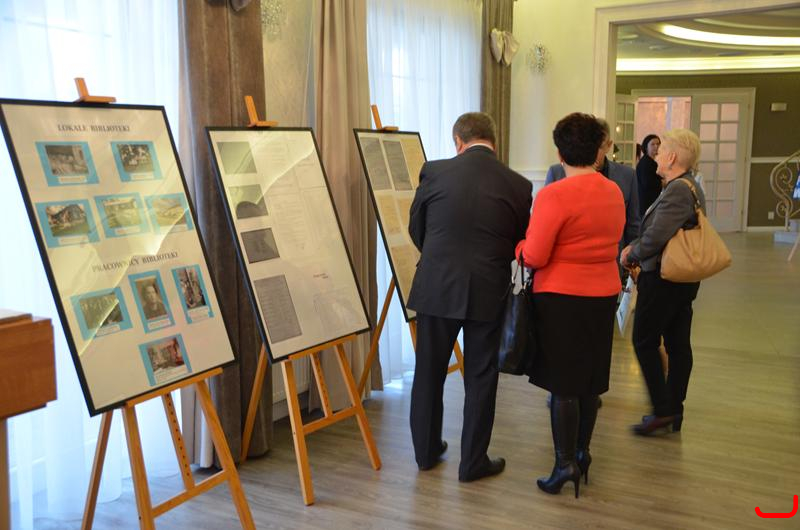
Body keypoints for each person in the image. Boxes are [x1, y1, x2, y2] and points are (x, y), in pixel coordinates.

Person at [407, 112, 532, 482]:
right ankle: (473, 462)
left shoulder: (434, 172)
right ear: (493, 140)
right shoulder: (519, 184)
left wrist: (440, 259)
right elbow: (519, 240)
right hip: (488, 290)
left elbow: (417, 229)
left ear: (458, 141)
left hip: (437, 286)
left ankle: (426, 453)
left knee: (428, 372)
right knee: (481, 377)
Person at [518, 113, 625, 498]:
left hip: (561, 298)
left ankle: (564, 465)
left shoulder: (554, 195)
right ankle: (582, 453)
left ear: (560, 153)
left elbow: (535, 255)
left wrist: (519, 247)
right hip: (603, 295)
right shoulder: (613, 191)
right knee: (589, 381)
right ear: (598, 152)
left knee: (563, 383)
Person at [620, 129, 706, 436]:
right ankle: (672, 408)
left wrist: (631, 252)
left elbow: (657, 236)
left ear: (672, 157)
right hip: (680, 279)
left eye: (662, 148)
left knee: (644, 340)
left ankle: (663, 409)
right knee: (677, 343)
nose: (656, 153)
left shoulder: (679, 189)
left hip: (664, 279)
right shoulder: (687, 185)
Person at [545, 118, 641, 259]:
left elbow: (633, 224)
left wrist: (630, 257)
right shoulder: (556, 173)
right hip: (567, 259)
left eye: (599, 147)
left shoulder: (627, 176)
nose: (593, 152)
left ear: (609, 146)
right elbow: (546, 226)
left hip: (611, 261)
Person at [636, 134, 661, 217]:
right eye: (653, 144)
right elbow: (647, 183)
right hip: (646, 203)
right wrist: (662, 182)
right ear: (646, 147)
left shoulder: (651, 162)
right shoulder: (646, 163)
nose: (656, 146)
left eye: (658, 144)